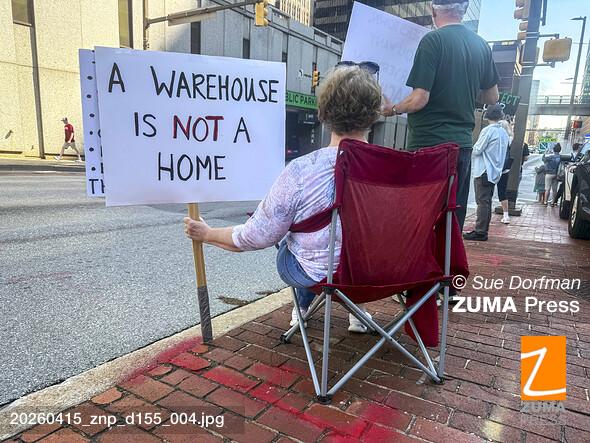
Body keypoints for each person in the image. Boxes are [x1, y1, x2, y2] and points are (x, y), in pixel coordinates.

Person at [184, 66, 382, 333]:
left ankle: (302, 309)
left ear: (324, 113)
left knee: (292, 241)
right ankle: (358, 313)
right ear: (374, 114)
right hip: (381, 275)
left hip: (320, 276)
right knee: (352, 239)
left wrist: (207, 234)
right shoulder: (395, 169)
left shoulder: (302, 170)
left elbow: (256, 236)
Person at [382, 0, 499, 232]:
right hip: (462, 146)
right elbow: (492, 96)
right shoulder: (481, 45)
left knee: (420, 219)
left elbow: (419, 99)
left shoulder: (432, 41)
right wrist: (463, 89)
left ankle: (423, 256)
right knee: (452, 218)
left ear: (433, 10)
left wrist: (392, 109)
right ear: (464, 9)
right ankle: (449, 255)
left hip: (429, 144)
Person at [463, 104, 509, 241]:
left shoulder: (488, 131)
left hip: (484, 170)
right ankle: (483, 230)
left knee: (482, 201)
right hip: (495, 171)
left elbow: (477, 149)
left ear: (487, 115)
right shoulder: (503, 133)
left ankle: (480, 231)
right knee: (487, 201)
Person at [495, 120, 513, 224]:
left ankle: (484, 214)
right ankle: (506, 215)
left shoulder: (495, 136)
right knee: (502, 191)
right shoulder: (509, 139)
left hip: (493, 167)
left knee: (487, 191)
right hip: (504, 169)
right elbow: (512, 134)